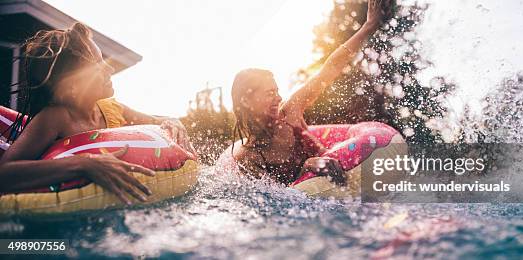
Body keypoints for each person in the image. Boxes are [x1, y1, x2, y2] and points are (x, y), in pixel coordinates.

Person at [0, 23, 193, 205]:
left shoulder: (112, 109)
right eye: (98, 64)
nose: (109, 68)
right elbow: (4, 173)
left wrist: (173, 122)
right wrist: (83, 164)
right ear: (73, 85)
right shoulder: (55, 118)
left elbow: (158, 122)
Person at [230, 0, 390, 185]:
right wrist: (306, 166)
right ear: (247, 102)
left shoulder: (290, 110)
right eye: (269, 94)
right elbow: (275, 199)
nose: (279, 98)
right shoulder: (250, 157)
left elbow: (330, 68)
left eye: (277, 91)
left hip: (345, 182)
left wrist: (369, 26)